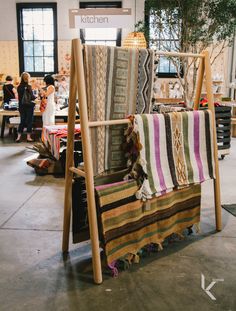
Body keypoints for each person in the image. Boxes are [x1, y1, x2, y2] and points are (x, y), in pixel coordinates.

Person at [16, 72, 36, 143]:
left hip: (21, 106)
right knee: (29, 121)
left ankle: (18, 137)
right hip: (29, 106)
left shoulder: (18, 87)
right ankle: (28, 137)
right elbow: (32, 97)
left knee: (22, 121)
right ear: (28, 78)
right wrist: (36, 96)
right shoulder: (28, 86)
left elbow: (19, 97)